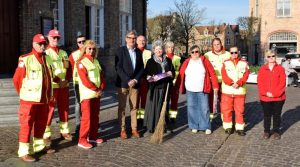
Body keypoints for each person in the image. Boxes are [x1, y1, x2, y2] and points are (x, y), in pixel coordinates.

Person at [13, 34, 55, 162]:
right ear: (33, 44)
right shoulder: (25, 59)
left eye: (44, 44)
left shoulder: (47, 59)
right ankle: (24, 151)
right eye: (39, 44)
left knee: (41, 124)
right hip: (29, 100)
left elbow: (50, 77)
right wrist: (24, 94)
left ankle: (39, 146)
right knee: (26, 125)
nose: (42, 46)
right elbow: (17, 80)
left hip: (44, 99)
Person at [177, 45, 218, 134]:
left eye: (197, 51)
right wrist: (177, 87)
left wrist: (215, 86)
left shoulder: (204, 61)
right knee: (192, 108)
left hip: (202, 89)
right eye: (193, 52)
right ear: (190, 54)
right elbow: (180, 75)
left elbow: (212, 73)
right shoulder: (187, 62)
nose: (195, 54)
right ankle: (194, 125)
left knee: (204, 108)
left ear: (199, 52)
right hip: (190, 90)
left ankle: (206, 126)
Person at [44, 29, 72, 144]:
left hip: (64, 86)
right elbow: (47, 71)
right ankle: (46, 135)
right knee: (49, 110)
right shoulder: (46, 53)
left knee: (64, 109)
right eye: (53, 37)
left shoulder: (64, 53)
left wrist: (67, 80)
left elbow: (69, 69)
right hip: (53, 87)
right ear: (48, 38)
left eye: (57, 38)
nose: (56, 40)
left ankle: (64, 131)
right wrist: (58, 81)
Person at [115, 30, 144, 139]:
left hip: (135, 85)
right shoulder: (120, 51)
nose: (132, 40)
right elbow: (118, 68)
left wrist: (135, 80)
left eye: (134, 38)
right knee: (122, 107)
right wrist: (128, 80)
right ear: (126, 39)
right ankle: (122, 129)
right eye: (130, 37)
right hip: (123, 83)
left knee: (134, 107)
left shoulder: (138, 52)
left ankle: (134, 129)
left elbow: (141, 68)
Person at [76, 40, 105, 149]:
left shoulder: (96, 61)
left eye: (93, 49)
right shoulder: (81, 62)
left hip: (96, 94)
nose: (91, 51)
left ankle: (92, 136)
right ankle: (82, 140)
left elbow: (101, 76)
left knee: (95, 117)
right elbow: (85, 79)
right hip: (87, 94)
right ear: (85, 49)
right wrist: (96, 89)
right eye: (89, 49)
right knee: (86, 118)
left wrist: (102, 87)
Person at [144, 40, 175, 133]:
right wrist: (149, 77)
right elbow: (146, 74)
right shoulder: (150, 61)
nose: (158, 51)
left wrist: (171, 73)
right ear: (153, 50)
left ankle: (164, 126)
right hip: (155, 89)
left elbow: (173, 72)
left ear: (163, 50)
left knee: (164, 108)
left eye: (160, 49)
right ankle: (153, 127)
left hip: (166, 88)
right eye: (156, 49)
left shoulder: (168, 60)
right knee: (154, 108)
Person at [220, 46, 250, 136]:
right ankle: (228, 127)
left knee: (239, 111)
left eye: (235, 52)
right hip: (227, 91)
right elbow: (224, 75)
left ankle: (240, 128)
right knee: (226, 110)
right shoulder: (225, 63)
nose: (234, 54)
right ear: (230, 53)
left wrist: (239, 83)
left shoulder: (244, 63)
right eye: (232, 52)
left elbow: (246, 75)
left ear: (238, 53)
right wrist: (231, 83)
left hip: (240, 92)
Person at [257, 50, 286, 140]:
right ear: (266, 58)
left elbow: (282, 83)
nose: (271, 58)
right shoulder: (262, 69)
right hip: (265, 98)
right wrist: (265, 93)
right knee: (267, 115)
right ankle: (266, 131)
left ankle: (276, 131)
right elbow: (260, 82)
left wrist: (274, 94)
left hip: (278, 98)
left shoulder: (280, 69)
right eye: (269, 56)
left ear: (275, 57)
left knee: (277, 115)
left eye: (273, 56)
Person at [204, 38, 230, 118]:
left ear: (221, 44)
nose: (216, 46)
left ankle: (225, 118)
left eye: (218, 44)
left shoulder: (228, 54)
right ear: (212, 45)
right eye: (214, 44)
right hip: (212, 82)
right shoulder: (207, 55)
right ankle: (210, 118)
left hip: (224, 82)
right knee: (211, 101)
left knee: (224, 101)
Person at [69, 35, 86, 136]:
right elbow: (70, 69)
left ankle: (91, 122)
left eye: (83, 41)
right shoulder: (74, 55)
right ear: (77, 43)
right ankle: (78, 124)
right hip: (78, 82)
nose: (81, 44)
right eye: (79, 42)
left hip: (89, 82)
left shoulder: (91, 51)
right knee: (78, 103)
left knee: (89, 103)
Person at [136, 35, 152, 120]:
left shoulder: (149, 53)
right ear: (136, 41)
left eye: (143, 40)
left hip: (145, 79)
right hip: (136, 79)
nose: (142, 42)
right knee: (136, 99)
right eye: (140, 40)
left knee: (144, 99)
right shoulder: (133, 51)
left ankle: (141, 117)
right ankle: (136, 117)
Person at [165, 41, 181, 121]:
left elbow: (180, 71)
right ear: (166, 48)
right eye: (169, 47)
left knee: (174, 100)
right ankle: (165, 114)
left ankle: (173, 116)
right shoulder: (163, 57)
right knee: (165, 100)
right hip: (166, 83)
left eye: (172, 47)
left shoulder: (178, 58)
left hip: (175, 83)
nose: (171, 49)